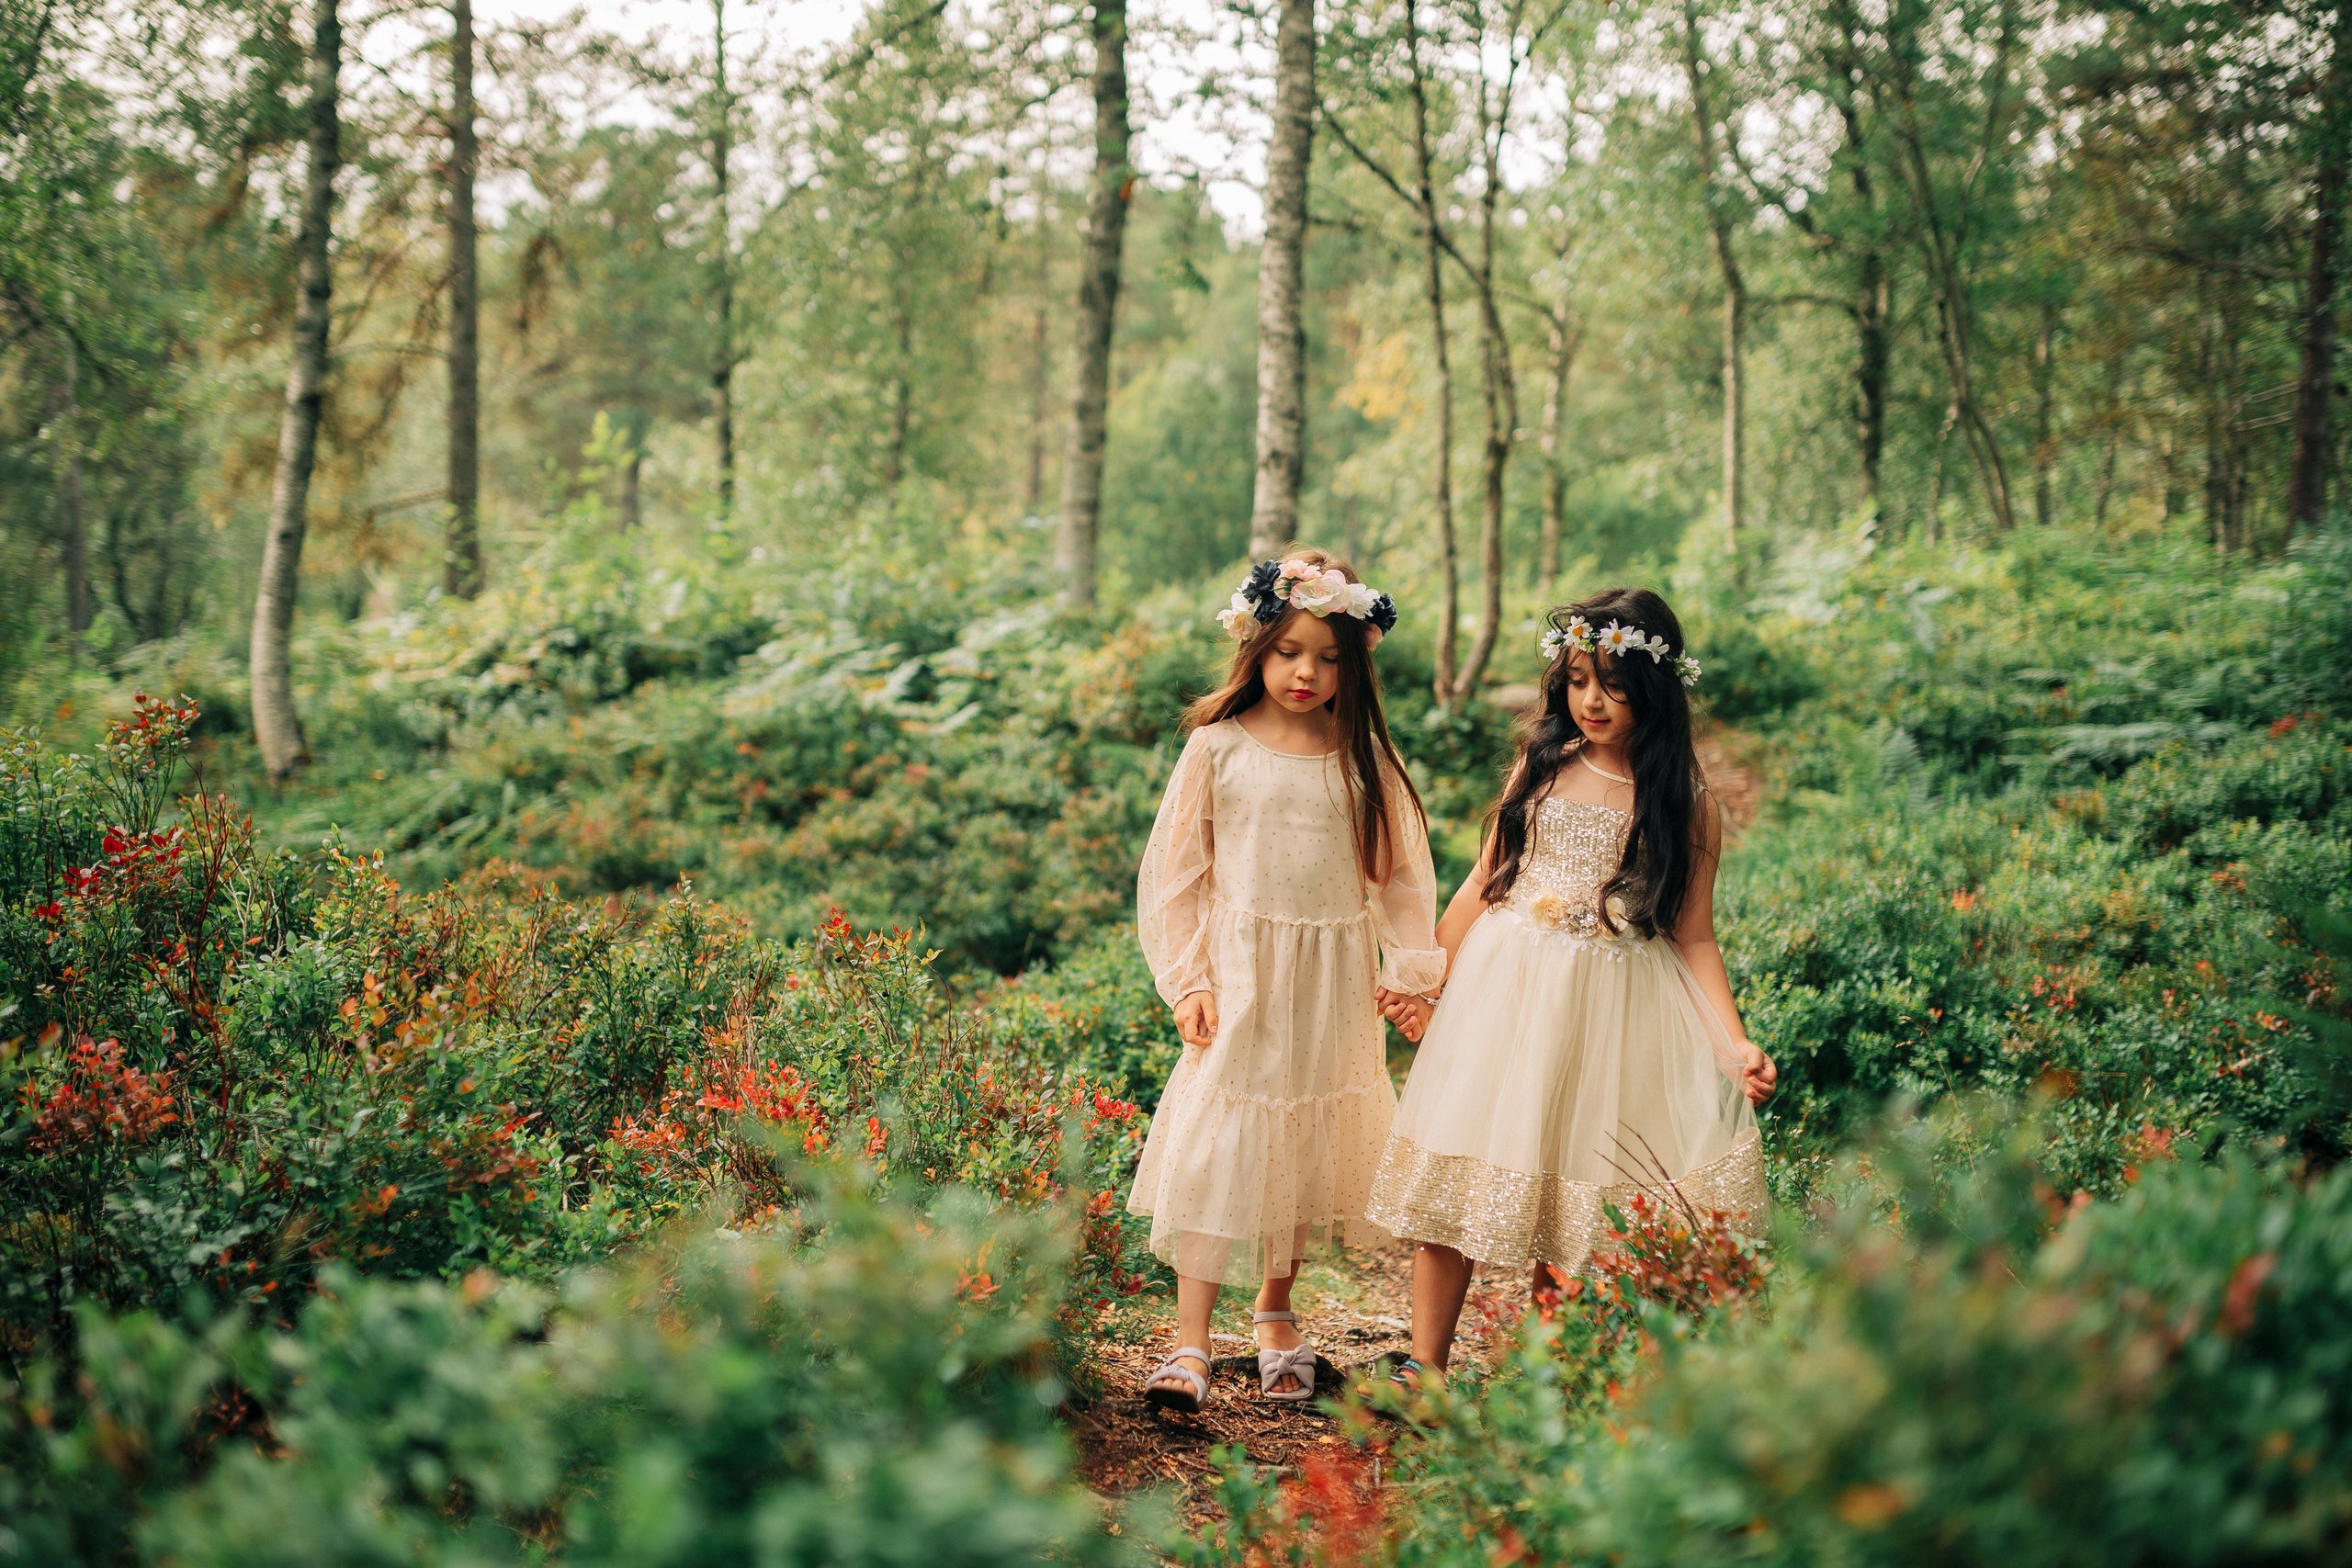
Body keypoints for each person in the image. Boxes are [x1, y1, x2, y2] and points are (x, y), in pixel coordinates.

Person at [1363, 586, 1777, 1385]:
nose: (1592, 699)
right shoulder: (1542, 765)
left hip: (1614, 1004)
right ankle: (1426, 1368)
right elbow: (1486, 879)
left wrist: (1733, 1043)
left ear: (1652, 689)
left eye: (1614, 684)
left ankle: (1546, 1375)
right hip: (1506, 989)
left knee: (1574, 1190)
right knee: (1463, 1156)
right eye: (1580, 678)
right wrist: (1427, 978)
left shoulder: (1685, 804)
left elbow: (1693, 933)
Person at [1128, 548, 1445, 1412]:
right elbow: (1176, 874)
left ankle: (1274, 1310)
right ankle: (1191, 1340)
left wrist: (1410, 973)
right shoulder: (1217, 747)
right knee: (1221, 1137)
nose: (1306, 671)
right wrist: (1189, 979)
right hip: (1240, 976)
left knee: (1297, 1141)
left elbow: (1403, 877)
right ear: (1255, 648)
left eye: (1328, 655)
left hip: (1331, 981)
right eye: (1288, 650)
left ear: (1355, 663)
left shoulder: (1363, 760)